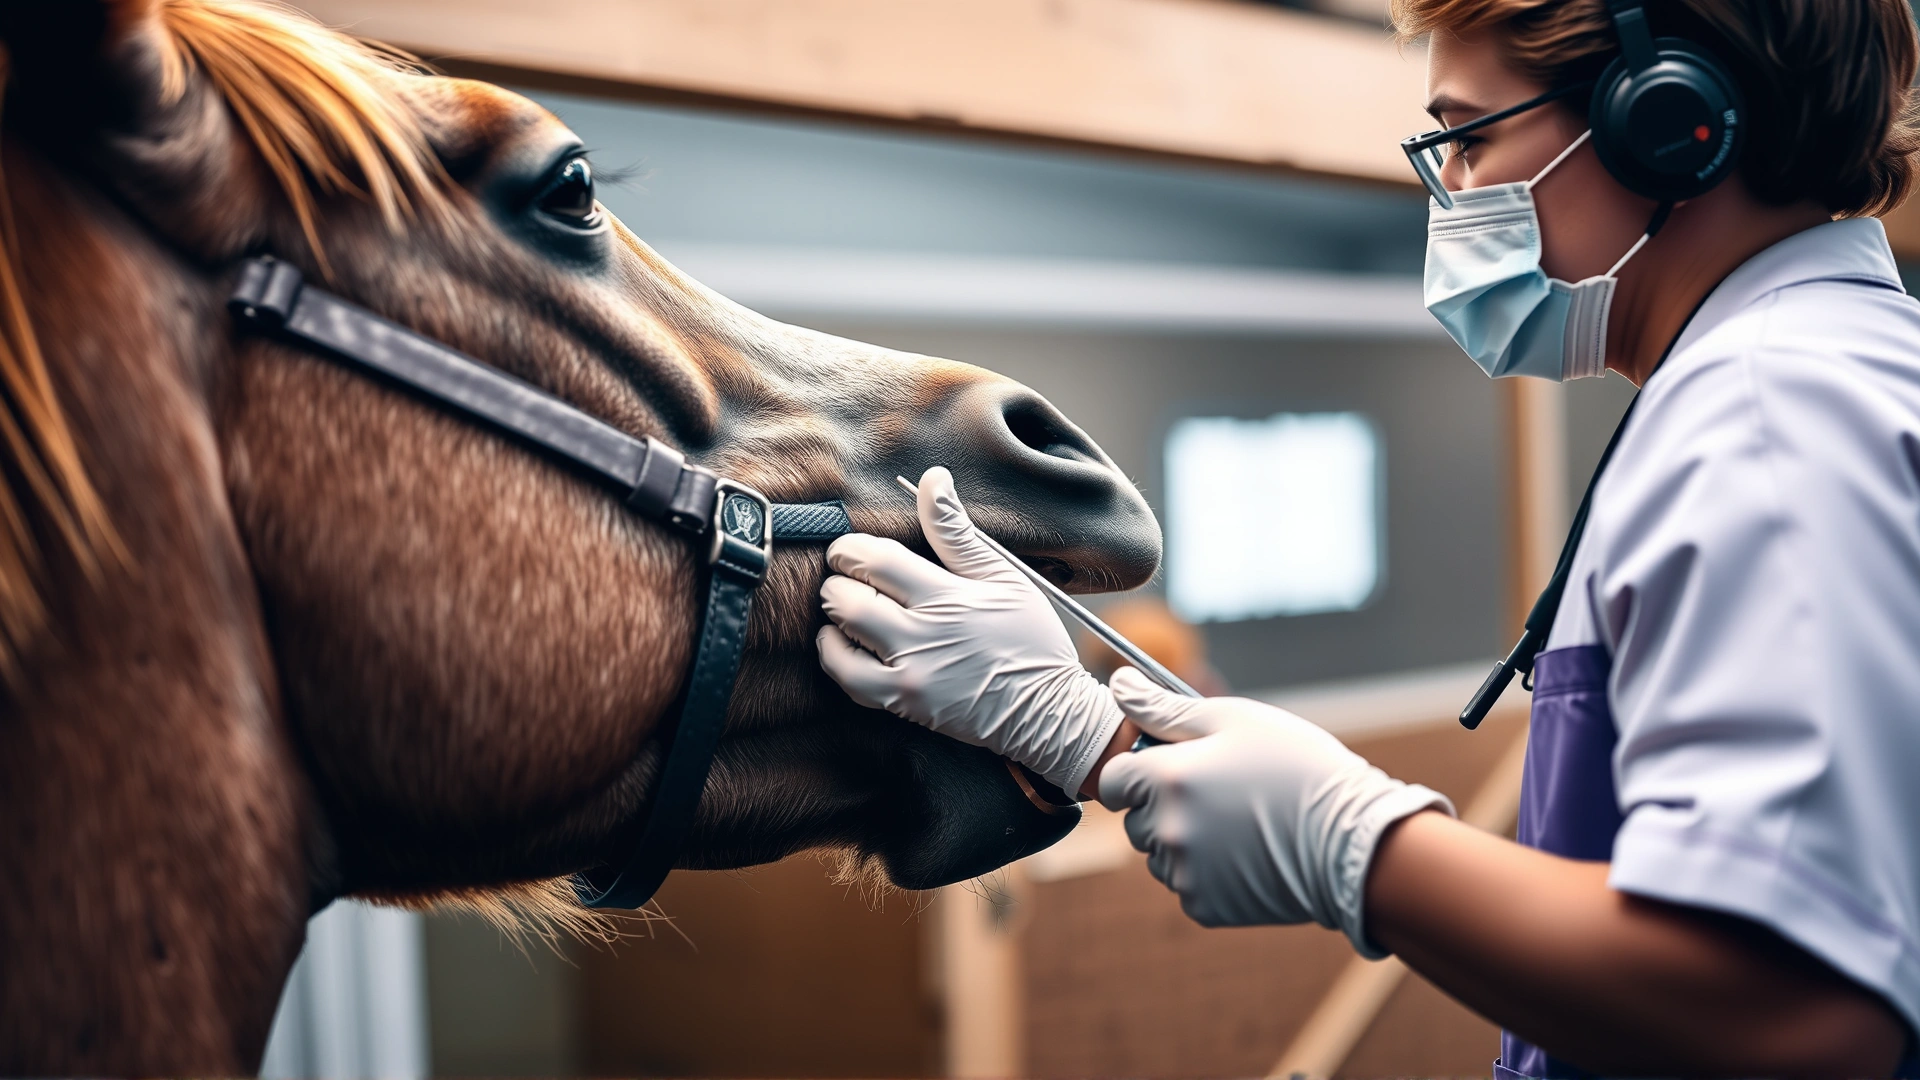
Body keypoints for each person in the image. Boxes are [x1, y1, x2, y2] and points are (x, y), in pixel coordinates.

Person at [814, 0, 1920, 1071]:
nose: (1454, 189)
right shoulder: (1780, 385)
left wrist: (1354, 845)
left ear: (1666, 120)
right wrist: (1085, 733)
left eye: (1466, 135)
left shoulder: (1772, 414)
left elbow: (1792, 1009)